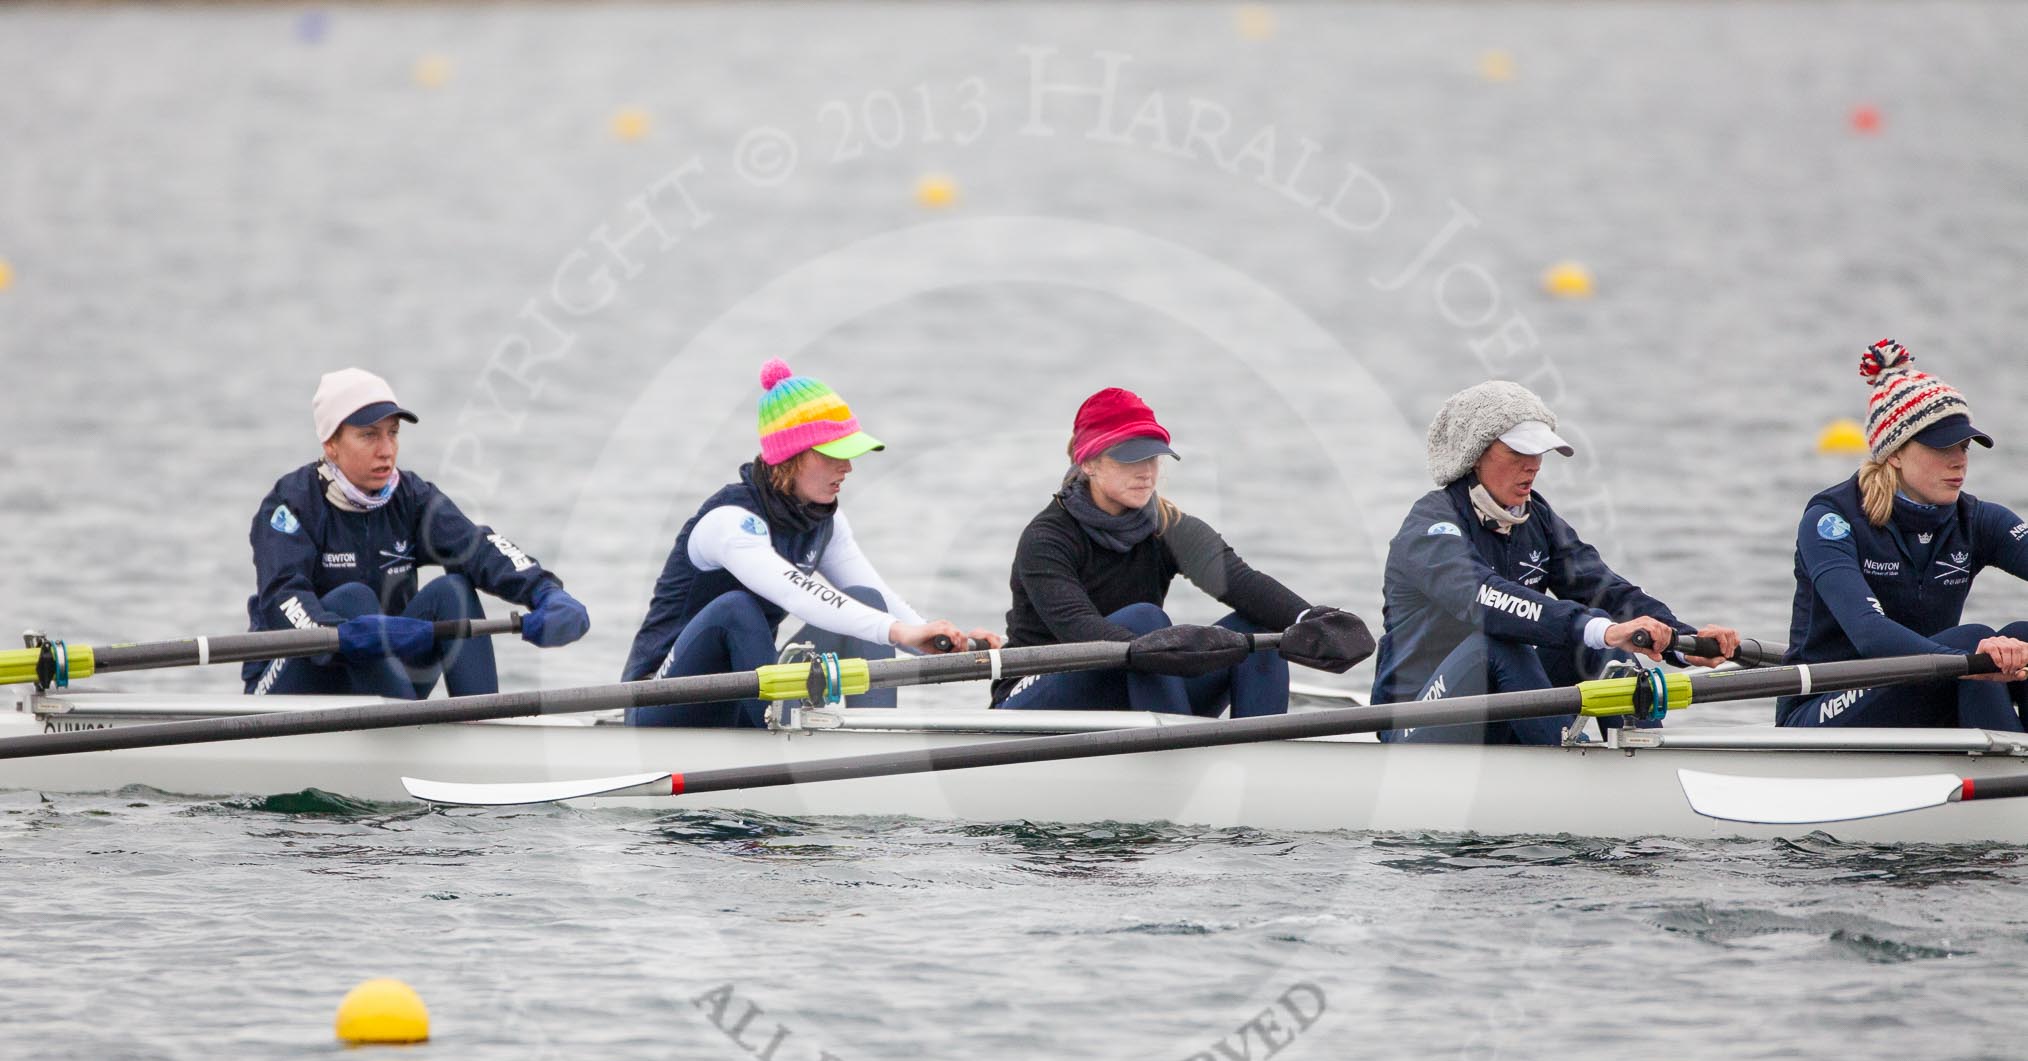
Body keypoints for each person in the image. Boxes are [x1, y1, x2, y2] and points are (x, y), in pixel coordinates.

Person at [621, 359, 1000, 728]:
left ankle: (876, 739)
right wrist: (899, 632)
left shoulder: (824, 521)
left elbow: (881, 602)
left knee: (866, 599)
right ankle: (778, 747)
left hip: (741, 696)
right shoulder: (729, 522)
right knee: (737, 608)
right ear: (792, 457)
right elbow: (799, 595)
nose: (848, 467)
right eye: (835, 453)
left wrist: (952, 643)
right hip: (662, 700)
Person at [1372, 379, 1739, 743]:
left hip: (1492, 711)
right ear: (1476, 454)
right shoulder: (1430, 526)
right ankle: (1565, 766)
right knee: (1504, 641)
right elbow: (1484, 598)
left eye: (1538, 453)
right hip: (1416, 718)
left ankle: (1645, 764)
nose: (1532, 466)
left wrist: (1682, 639)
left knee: (1604, 648)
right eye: (1518, 453)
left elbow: (1605, 589)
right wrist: (1598, 627)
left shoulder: (1537, 519)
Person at [994, 387, 1364, 716]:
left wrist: (1311, 619)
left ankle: (1259, 752)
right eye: (1129, 459)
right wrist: (1161, 648)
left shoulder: (1168, 526)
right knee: (1144, 619)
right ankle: (1175, 754)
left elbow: (1242, 582)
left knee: (1257, 625)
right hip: (1038, 692)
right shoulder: (1047, 538)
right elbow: (1078, 628)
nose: (1146, 473)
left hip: (1136, 681)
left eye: (1152, 458)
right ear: (1089, 462)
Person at [244, 368, 589, 697]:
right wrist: (344, 632)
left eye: (392, 433)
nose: (386, 449)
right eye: (369, 435)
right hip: (292, 683)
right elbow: (283, 601)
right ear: (330, 443)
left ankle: (482, 726)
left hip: (385, 679)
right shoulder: (290, 506)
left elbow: (478, 548)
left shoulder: (411, 497)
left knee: (453, 592)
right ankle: (407, 732)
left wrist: (545, 590)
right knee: (354, 599)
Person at [1779, 339, 2028, 730]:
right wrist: (1971, 661)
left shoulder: (1976, 520)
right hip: (1824, 706)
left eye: (1964, 445)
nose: (1960, 460)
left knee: (2020, 636)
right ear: (1894, 452)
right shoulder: (1831, 520)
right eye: (1942, 446)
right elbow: (1869, 634)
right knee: (1977, 640)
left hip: (1926, 686)